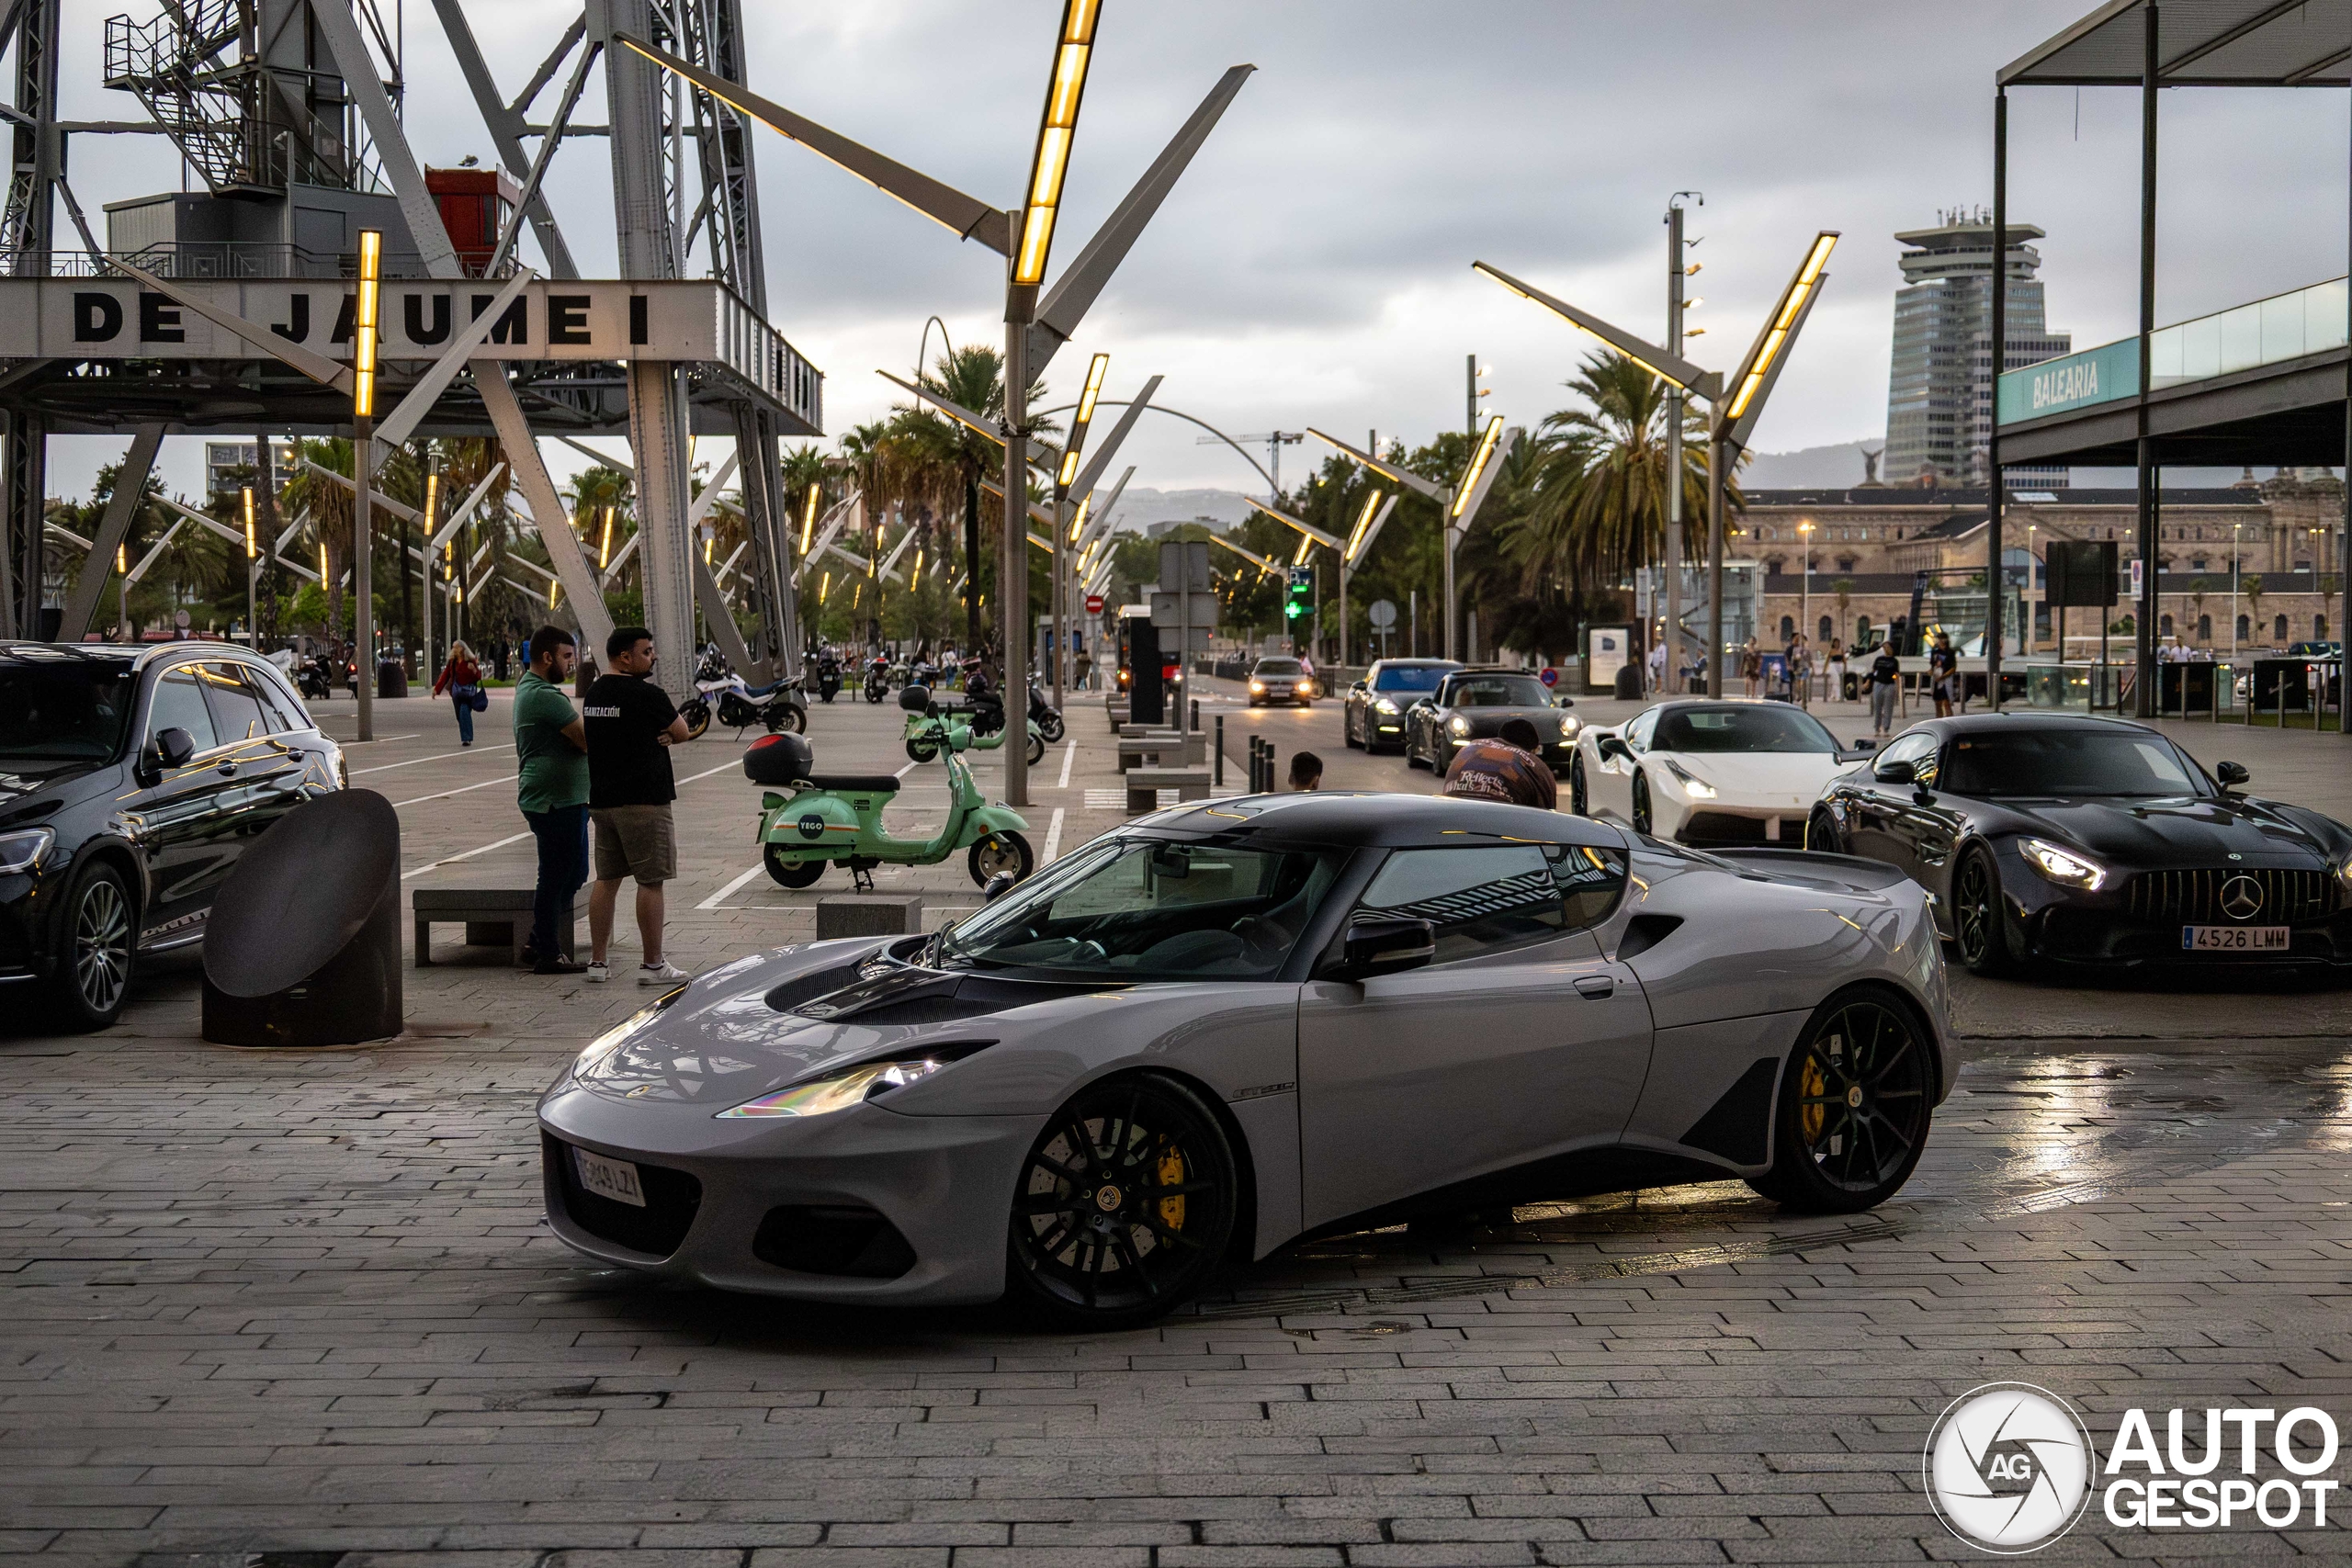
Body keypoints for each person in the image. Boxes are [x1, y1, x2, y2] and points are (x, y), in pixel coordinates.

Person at [582, 626, 691, 986]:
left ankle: (598, 963)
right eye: (647, 651)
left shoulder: (594, 694)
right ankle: (653, 965)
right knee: (651, 881)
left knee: (606, 880)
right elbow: (683, 731)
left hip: (603, 802)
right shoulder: (648, 695)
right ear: (625, 657)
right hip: (644, 801)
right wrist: (662, 736)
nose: (653, 656)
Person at [514, 626, 589, 976]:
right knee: (557, 877)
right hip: (553, 801)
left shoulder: (531, 688)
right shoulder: (545, 695)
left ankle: (537, 941)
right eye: (567, 656)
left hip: (559, 798)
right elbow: (585, 739)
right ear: (548, 657)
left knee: (572, 873)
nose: (572, 664)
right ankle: (547, 953)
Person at [1441, 716, 1556, 810]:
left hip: (1453, 817)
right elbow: (1546, 819)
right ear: (1533, 750)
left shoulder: (1469, 748)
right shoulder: (1535, 765)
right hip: (1499, 825)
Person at [432, 638, 483, 746]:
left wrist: (473, 670)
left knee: (464, 711)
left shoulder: (470, 660)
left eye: (456, 647)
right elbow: (445, 675)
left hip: (468, 692)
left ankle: (467, 738)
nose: (454, 649)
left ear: (462, 649)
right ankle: (465, 732)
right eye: (453, 647)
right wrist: (437, 689)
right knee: (459, 715)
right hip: (456, 693)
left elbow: (478, 676)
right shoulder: (453, 662)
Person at [1868, 639, 1903, 737]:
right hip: (1878, 683)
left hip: (1889, 684)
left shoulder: (1894, 661)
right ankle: (1876, 727)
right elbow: (1874, 672)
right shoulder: (1879, 659)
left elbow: (1896, 674)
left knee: (1888, 707)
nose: (1886, 649)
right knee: (1877, 707)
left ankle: (1886, 727)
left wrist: (1896, 682)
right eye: (1884, 647)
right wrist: (1868, 682)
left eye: (1888, 647)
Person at [1928, 631, 1958, 717]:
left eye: (1941, 639)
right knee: (1937, 703)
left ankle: (1949, 720)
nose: (1939, 641)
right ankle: (1938, 720)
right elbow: (1932, 665)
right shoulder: (1935, 652)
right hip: (1937, 679)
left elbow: (1953, 668)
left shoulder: (1950, 652)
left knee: (1946, 703)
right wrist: (1931, 672)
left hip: (1946, 679)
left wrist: (1944, 676)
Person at [1826, 638, 1848, 704]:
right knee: (1836, 680)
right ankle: (1838, 696)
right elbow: (1827, 660)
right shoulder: (1831, 651)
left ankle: (1833, 695)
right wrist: (1825, 669)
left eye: (1838, 643)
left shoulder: (1841, 650)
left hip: (1840, 665)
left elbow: (1844, 660)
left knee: (1840, 681)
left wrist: (1845, 668)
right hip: (1833, 666)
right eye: (1835, 643)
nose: (1837, 644)